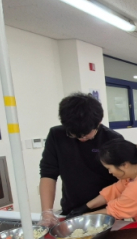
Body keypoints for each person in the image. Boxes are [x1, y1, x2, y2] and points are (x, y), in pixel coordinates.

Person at [39, 93, 123, 226]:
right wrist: (47, 212)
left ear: (99, 122)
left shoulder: (112, 139)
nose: (81, 139)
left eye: (86, 134)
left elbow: (122, 182)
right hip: (71, 210)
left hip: (107, 212)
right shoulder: (56, 135)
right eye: (74, 135)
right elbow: (48, 174)